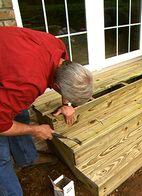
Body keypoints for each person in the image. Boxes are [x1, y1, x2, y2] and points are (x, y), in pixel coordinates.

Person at [0, 26, 93, 196]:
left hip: (8, 68)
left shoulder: (58, 48)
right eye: (64, 94)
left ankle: (27, 159)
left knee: (19, 111)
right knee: (1, 157)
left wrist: (67, 104)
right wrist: (35, 129)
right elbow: (1, 124)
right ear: (57, 86)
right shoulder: (28, 84)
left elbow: (66, 72)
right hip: (14, 74)